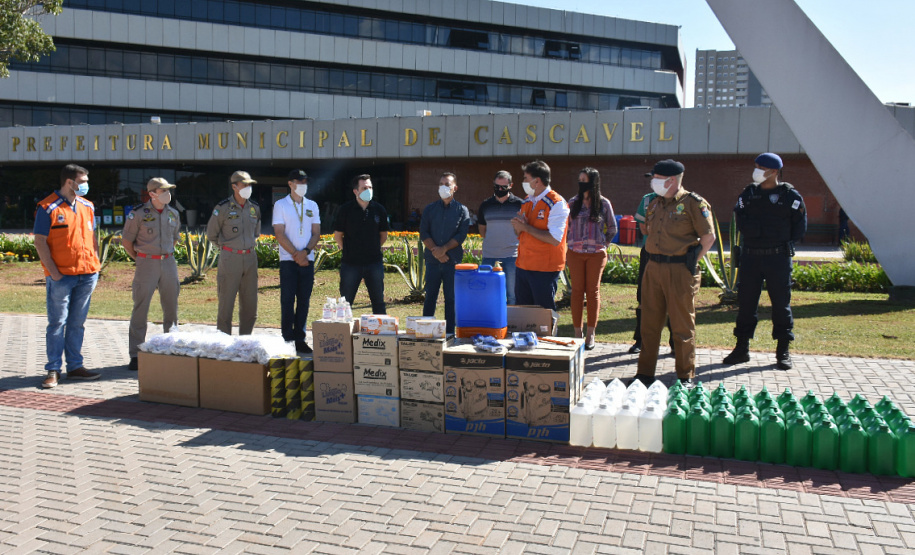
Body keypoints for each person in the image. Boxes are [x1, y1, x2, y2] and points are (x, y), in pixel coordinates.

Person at [632, 160, 715, 387]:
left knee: (681, 326)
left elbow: (708, 238)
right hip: (653, 268)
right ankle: (645, 373)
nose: (653, 182)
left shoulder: (693, 203)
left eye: (657, 178)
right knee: (649, 324)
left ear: (671, 180)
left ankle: (685, 375)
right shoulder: (654, 203)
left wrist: (691, 261)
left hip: (679, 270)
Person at [723, 153, 807, 370]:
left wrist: (779, 239)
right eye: (756, 166)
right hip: (751, 257)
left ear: (774, 172)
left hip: (777, 258)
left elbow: (800, 226)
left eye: (761, 167)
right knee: (746, 304)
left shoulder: (789, 196)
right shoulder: (748, 194)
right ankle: (741, 348)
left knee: (781, 304)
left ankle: (783, 351)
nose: (756, 170)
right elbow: (740, 219)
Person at [33, 164, 102, 388]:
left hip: (87, 274)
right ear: (69, 182)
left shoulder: (87, 206)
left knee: (77, 323)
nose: (85, 185)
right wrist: (54, 272)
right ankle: (53, 369)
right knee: (57, 323)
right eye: (82, 181)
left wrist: (96, 265)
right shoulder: (47, 207)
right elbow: (40, 242)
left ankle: (75, 366)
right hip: (62, 277)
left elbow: (93, 237)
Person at [122, 177, 181, 371]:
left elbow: (174, 239)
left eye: (168, 190)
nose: (167, 194)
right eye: (163, 190)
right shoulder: (138, 214)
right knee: (141, 308)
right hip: (146, 263)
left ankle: (170, 347)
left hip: (169, 262)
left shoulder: (173, 213)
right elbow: (127, 242)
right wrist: (141, 257)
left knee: (171, 307)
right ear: (152, 193)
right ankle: (136, 353)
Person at [565, 167, 616, 350]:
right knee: (577, 291)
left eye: (584, 179)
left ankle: (591, 333)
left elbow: (612, 228)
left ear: (593, 182)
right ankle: (577, 332)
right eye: (579, 179)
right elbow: (566, 227)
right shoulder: (572, 203)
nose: (581, 182)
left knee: (593, 292)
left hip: (596, 253)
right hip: (575, 253)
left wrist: (603, 244)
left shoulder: (603, 204)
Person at [207, 170, 262, 335]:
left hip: (250, 259)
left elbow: (256, 233)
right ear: (234, 186)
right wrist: (228, 248)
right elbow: (211, 234)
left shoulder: (254, 208)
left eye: (249, 185)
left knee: (250, 305)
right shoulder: (222, 208)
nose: (248, 187)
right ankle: (224, 344)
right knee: (226, 305)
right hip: (230, 258)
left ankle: (245, 342)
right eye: (244, 184)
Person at [511, 160, 570, 310]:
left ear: (537, 181)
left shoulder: (556, 203)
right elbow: (520, 232)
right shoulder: (527, 200)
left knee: (543, 315)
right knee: (523, 314)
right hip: (523, 266)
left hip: (544, 269)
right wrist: (518, 227)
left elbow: (555, 239)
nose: (523, 182)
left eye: (526, 178)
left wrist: (526, 227)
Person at [273, 169, 321, 353]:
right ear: (290, 184)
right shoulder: (281, 205)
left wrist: (306, 252)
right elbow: (279, 233)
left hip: (307, 260)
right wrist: (296, 254)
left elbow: (316, 232)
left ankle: (300, 338)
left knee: (304, 300)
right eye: (299, 182)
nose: (303, 185)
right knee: (287, 300)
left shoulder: (312, 205)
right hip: (288, 260)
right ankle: (287, 338)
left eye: (305, 182)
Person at [420, 172, 470, 334]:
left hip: (452, 262)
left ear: (455, 188)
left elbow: (461, 235)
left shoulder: (462, 210)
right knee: (430, 298)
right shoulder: (430, 209)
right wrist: (436, 252)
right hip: (433, 261)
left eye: (447, 184)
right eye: (441, 184)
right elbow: (424, 233)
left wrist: (444, 250)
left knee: (451, 299)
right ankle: (426, 332)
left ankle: (450, 333)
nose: (443, 187)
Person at [334, 173, 390, 315]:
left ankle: (381, 334)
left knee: (378, 301)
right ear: (356, 191)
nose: (368, 190)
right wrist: (347, 249)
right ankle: (344, 333)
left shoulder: (379, 210)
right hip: (350, 263)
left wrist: (372, 247)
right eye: (364, 188)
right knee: (345, 302)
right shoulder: (345, 210)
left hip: (374, 263)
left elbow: (383, 235)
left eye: (370, 187)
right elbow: (338, 235)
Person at [631, 181, 674, 355]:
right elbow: (643, 226)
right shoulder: (648, 200)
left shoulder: (682, 201)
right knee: (644, 297)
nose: (654, 182)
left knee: (672, 299)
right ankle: (640, 340)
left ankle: (675, 343)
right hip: (650, 253)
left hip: (672, 256)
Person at [477, 170, 523, 305]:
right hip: (489, 256)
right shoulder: (485, 205)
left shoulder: (519, 204)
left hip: (512, 256)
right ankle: (490, 324)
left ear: (511, 185)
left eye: (503, 187)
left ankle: (511, 324)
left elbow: (523, 230)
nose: (500, 189)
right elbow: (482, 231)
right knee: (487, 294)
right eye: (497, 186)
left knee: (512, 295)